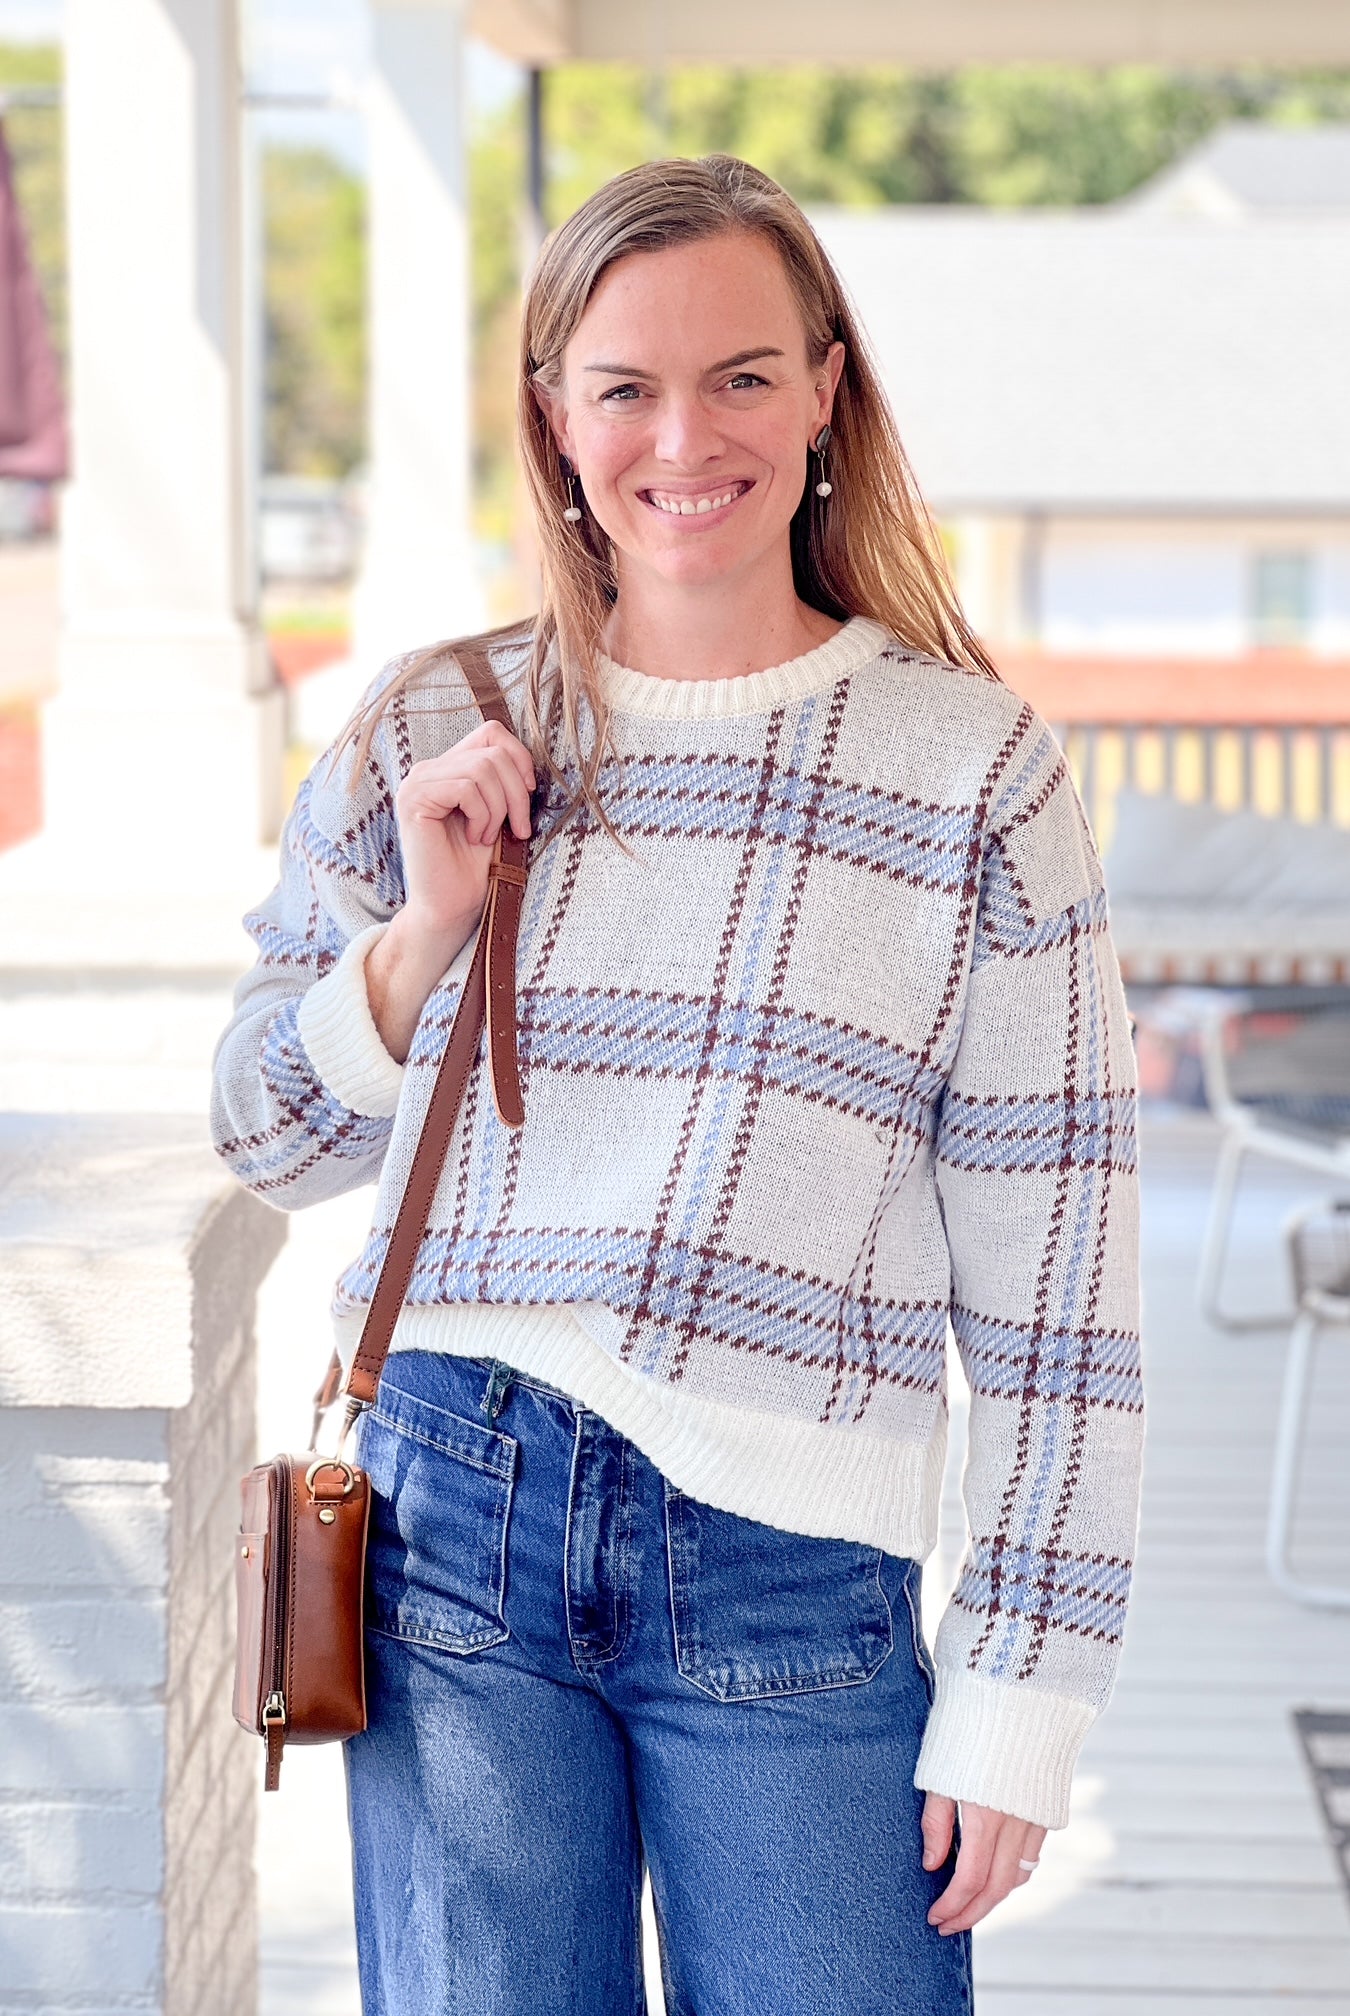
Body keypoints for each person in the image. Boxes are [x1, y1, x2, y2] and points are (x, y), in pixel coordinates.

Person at [212, 152, 1144, 2015]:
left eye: (739, 376)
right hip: (454, 1521)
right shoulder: (428, 723)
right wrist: (421, 934)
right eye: (622, 386)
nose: (681, 438)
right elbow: (261, 1130)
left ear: (824, 395)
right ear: (555, 421)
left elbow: (1056, 1285)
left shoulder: (971, 772)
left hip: (795, 1558)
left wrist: (1023, 1690)